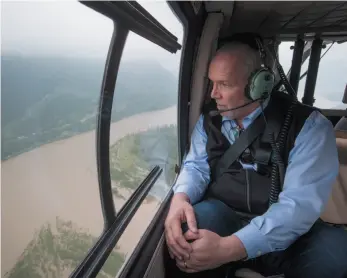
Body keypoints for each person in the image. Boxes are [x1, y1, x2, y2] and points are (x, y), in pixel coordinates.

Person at [164, 33, 347, 278]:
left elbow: (298, 207)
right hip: (226, 217)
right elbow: (195, 166)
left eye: (224, 85)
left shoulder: (308, 126)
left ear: (258, 85)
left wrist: (229, 249)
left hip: (290, 236)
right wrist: (180, 199)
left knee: (336, 253)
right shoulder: (209, 120)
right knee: (189, 227)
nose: (213, 94)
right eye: (211, 83)